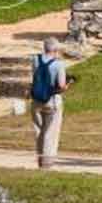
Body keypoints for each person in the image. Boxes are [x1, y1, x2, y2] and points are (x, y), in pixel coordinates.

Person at [29, 36, 69, 171]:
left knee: (38, 130)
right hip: (52, 100)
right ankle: (47, 163)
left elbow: (34, 76)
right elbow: (61, 85)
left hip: (36, 100)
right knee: (50, 132)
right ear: (56, 49)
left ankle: (40, 159)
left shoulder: (35, 60)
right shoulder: (59, 64)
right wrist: (66, 87)